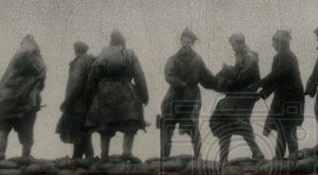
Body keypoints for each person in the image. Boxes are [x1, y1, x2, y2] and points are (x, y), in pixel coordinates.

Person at [84, 30, 149, 162]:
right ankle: (127, 152)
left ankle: (104, 154)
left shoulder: (102, 54)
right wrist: (144, 96)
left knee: (104, 125)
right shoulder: (129, 53)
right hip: (126, 91)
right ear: (123, 42)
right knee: (131, 122)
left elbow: (92, 76)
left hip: (104, 92)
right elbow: (139, 76)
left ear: (111, 41)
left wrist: (88, 95)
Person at [158, 29, 216, 161]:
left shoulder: (197, 60)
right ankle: (164, 157)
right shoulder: (173, 59)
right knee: (167, 124)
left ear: (192, 43)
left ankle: (198, 155)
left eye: (189, 42)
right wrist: (180, 83)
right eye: (184, 42)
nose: (186, 44)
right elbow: (169, 75)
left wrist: (220, 83)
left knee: (192, 125)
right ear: (181, 42)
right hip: (174, 95)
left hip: (191, 96)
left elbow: (206, 78)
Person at [0, 34, 47, 161]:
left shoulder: (18, 58)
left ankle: (1, 152)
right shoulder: (39, 61)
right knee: (23, 129)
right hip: (25, 102)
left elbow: (7, 81)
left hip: (10, 102)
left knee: (4, 125)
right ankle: (23, 155)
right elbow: (41, 82)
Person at [210, 33, 264, 166]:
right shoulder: (241, 56)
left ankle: (256, 152)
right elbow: (238, 75)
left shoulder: (249, 57)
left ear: (241, 43)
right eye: (232, 45)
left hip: (246, 95)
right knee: (228, 123)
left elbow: (243, 78)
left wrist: (228, 80)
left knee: (233, 119)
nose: (233, 48)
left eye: (234, 45)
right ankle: (224, 159)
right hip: (239, 94)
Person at [258, 30, 304, 160]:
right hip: (287, 98)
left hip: (290, 98)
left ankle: (291, 157)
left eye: (274, 42)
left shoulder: (285, 57)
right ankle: (283, 157)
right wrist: (262, 93)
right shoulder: (286, 56)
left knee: (288, 128)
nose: (272, 45)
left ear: (281, 43)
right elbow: (276, 80)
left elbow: (276, 76)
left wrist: (258, 85)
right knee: (284, 128)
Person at [56, 41, 96, 159]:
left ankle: (88, 158)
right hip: (89, 102)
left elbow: (76, 83)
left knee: (78, 131)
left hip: (77, 103)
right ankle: (78, 157)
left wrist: (67, 101)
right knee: (83, 131)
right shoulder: (91, 61)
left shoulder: (79, 62)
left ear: (76, 50)